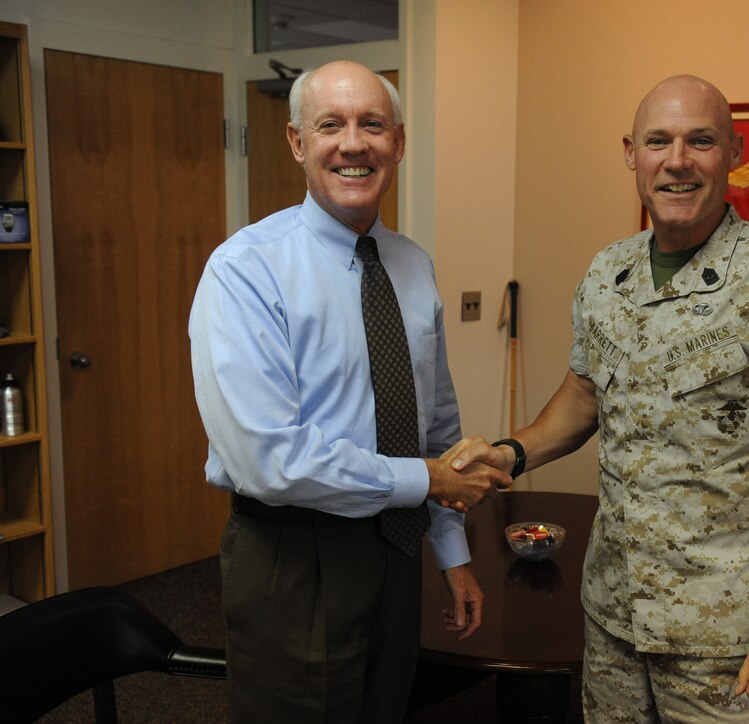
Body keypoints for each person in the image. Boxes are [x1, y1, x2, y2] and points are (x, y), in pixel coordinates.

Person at [451, 75, 749, 722]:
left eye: (700, 141)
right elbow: (584, 397)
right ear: (631, 154)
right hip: (615, 614)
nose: (677, 160)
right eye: (658, 141)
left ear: (733, 151)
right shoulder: (606, 275)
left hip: (731, 635)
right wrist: (511, 451)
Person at [189, 61, 510, 723]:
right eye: (330, 125)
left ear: (396, 141)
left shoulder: (413, 265)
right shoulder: (246, 270)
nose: (354, 144)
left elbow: (437, 424)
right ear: (298, 143)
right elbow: (268, 459)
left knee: (385, 706)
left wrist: (452, 555)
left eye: (372, 124)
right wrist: (428, 481)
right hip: (291, 560)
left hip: (394, 551)